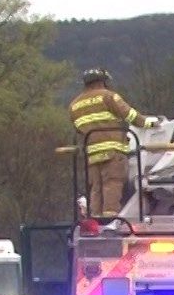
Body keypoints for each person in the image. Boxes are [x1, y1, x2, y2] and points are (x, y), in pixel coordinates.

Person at [68, 67, 161, 218]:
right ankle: (109, 218)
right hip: (113, 151)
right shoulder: (108, 97)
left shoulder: (74, 105)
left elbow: (79, 129)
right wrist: (149, 123)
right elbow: (130, 116)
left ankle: (95, 217)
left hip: (92, 154)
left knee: (96, 187)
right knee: (112, 183)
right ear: (103, 81)